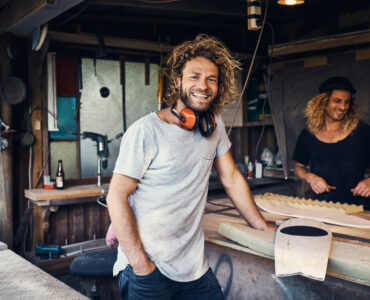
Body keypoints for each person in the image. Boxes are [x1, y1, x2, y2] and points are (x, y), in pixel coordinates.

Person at [106, 34, 275, 300]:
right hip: (149, 267)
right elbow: (116, 195)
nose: (203, 85)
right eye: (194, 76)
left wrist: (261, 226)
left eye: (211, 79)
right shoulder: (146, 131)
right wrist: (141, 265)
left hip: (194, 268)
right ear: (177, 81)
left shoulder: (214, 126)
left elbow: (230, 177)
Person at [293, 76, 370, 209]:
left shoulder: (361, 131)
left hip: (359, 209)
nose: (343, 107)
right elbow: (298, 168)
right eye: (337, 101)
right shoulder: (308, 134)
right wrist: (310, 177)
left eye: (347, 102)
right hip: (322, 208)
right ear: (323, 102)